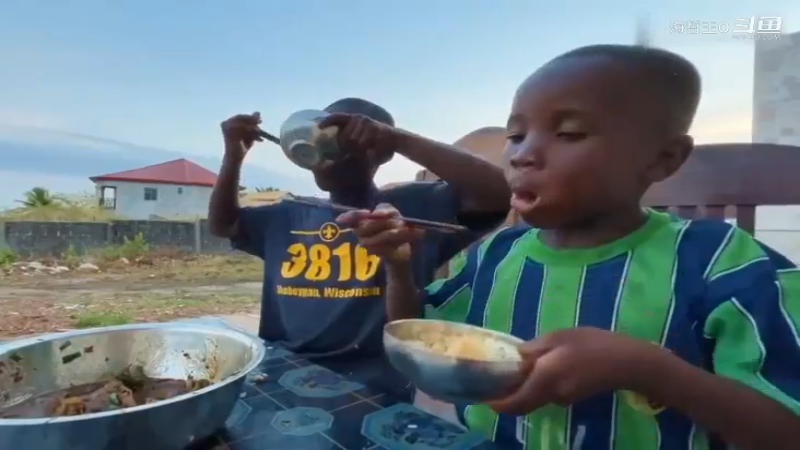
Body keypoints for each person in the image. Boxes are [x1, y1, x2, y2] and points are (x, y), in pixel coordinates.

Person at [341, 45, 800, 449]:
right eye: (516, 136)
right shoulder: (496, 254)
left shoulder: (722, 263)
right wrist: (398, 267)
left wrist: (650, 370)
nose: (522, 155)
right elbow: (417, 335)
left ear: (662, 158)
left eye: (569, 133)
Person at [208, 97, 509, 399]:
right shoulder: (289, 214)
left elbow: (497, 193)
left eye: (343, 136)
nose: (326, 146)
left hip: (372, 386)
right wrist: (234, 156)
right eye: (319, 131)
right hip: (281, 372)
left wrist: (397, 139)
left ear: (380, 151)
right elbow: (224, 224)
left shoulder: (416, 208)